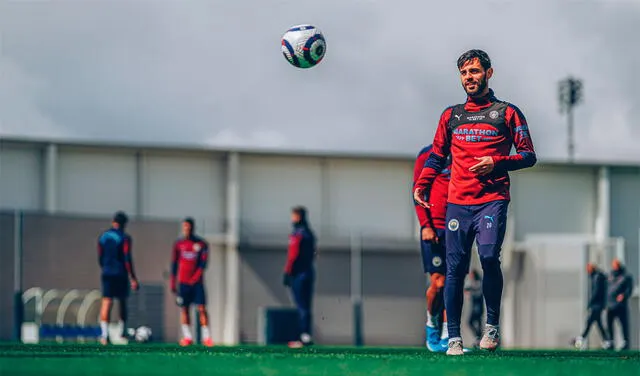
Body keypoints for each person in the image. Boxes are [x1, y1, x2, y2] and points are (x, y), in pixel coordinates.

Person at [413, 49, 537, 355]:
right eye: (465, 73)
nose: (469, 77)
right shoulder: (451, 115)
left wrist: (495, 162)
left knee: (489, 257)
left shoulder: (507, 113)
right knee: (455, 269)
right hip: (458, 203)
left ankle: (491, 327)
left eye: (475, 71)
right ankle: (453, 337)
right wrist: (423, 183)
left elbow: (528, 155)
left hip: (491, 200)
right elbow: (438, 154)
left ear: (489, 73)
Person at [413, 145, 451, 352]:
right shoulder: (427, 155)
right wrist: (425, 225)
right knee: (439, 282)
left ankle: (449, 335)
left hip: (457, 227)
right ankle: (432, 327)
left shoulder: (467, 151)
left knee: (454, 283)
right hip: (434, 227)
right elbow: (417, 190)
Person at [170, 217, 214, 347]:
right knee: (184, 309)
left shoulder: (201, 244)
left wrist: (195, 278)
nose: (187, 230)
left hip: (197, 283)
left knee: (201, 308)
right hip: (183, 283)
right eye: (185, 228)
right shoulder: (179, 244)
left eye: (189, 228)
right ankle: (188, 336)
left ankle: (207, 337)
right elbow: (174, 264)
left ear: (193, 228)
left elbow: (203, 264)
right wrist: (173, 281)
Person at [97, 211, 139, 345]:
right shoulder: (124, 238)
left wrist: (105, 267)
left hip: (107, 272)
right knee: (122, 301)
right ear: (124, 224)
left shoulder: (103, 237)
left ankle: (104, 335)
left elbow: (100, 256)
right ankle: (123, 332)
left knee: (106, 302)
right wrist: (132, 277)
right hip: (120, 273)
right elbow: (127, 258)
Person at [282, 206, 317, 348]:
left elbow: (293, 255)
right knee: (306, 305)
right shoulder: (310, 234)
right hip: (308, 271)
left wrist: (288, 272)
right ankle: (305, 335)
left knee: (301, 305)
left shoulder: (298, 234)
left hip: (299, 274)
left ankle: (303, 336)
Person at [573, 262, 607, 350]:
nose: (587, 271)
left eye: (588, 268)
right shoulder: (597, 276)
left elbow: (596, 292)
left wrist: (590, 303)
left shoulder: (597, 277)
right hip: (598, 304)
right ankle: (607, 341)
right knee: (598, 324)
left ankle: (580, 340)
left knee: (589, 322)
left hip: (596, 305)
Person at [606, 258, 633, 350]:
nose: (615, 267)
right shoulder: (610, 276)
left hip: (620, 306)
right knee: (609, 325)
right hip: (610, 305)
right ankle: (610, 342)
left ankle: (626, 343)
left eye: (616, 265)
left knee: (623, 325)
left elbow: (629, 290)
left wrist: (624, 295)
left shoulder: (626, 276)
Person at [464, 269, 484, 348]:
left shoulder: (478, 283)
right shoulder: (472, 283)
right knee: (473, 323)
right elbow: (466, 288)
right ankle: (478, 338)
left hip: (478, 307)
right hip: (474, 306)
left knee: (474, 322)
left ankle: (479, 338)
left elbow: (478, 293)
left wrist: (470, 291)